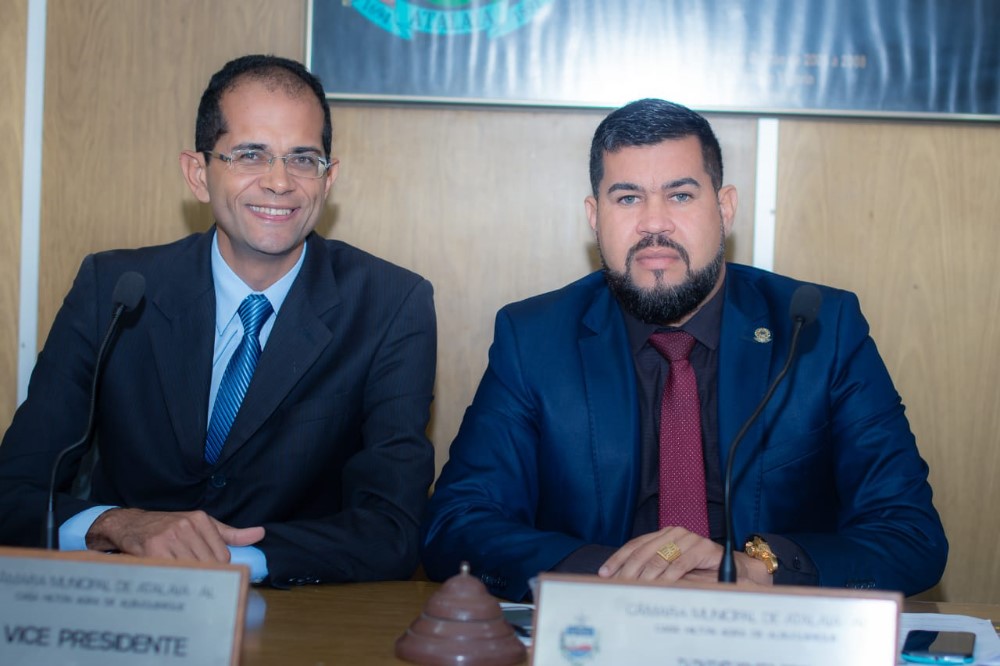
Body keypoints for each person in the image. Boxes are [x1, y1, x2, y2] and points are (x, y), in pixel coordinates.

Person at [421, 98, 946, 601]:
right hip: (600, 629)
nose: (654, 223)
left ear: (725, 208)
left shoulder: (819, 330)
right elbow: (457, 525)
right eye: (628, 198)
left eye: (680, 196)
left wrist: (756, 567)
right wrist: (615, 575)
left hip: (769, 628)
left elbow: (909, 534)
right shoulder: (535, 338)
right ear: (594, 216)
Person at [0, 55, 437, 587]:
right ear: (198, 174)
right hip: (122, 599)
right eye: (251, 155)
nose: (280, 182)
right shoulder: (114, 290)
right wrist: (119, 525)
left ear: (328, 179)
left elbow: (393, 529)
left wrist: (231, 561)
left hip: (297, 611)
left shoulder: (391, 304)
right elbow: (13, 493)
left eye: (303, 159)